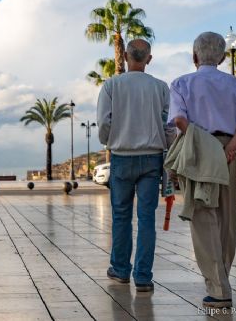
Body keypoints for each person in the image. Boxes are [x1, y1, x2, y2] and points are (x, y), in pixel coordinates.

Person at [168, 32, 236, 308]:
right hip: (230, 148)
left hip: (199, 148)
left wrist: (202, 141)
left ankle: (218, 289)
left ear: (194, 56)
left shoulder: (182, 83)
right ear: (222, 57)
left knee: (203, 216)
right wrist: (232, 147)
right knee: (228, 217)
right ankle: (223, 280)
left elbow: (179, 120)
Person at [96, 39, 172, 292]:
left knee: (121, 216)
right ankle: (143, 276)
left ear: (126, 57)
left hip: (121, 156)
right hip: (152, 158)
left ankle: (120, 269)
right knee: (147, 218)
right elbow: (169, 124)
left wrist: (111, 140)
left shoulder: (111, 86)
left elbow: (104, 122)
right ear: (149, 59)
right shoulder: (160, 88)